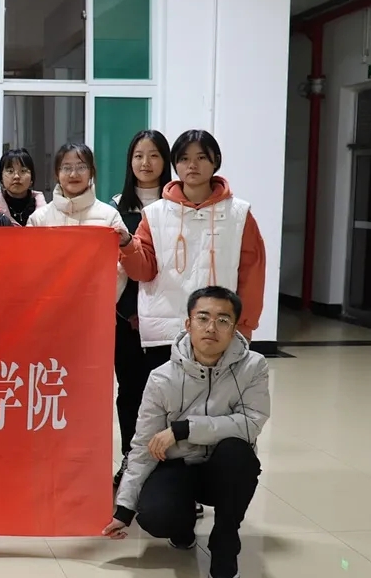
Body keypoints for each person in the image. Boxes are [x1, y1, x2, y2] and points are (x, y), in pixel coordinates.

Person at [104, 286, 268, 578]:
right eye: (203, 318)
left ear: (234, 328)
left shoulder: (253, 366)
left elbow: (251, 423)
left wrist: (183, 429)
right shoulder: (162, 377)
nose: (211, 327)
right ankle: (182, 524)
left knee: (238, 453)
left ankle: (225, 541)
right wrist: (124, 509)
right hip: (177, 466)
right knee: (156, 517)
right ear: (188, 324)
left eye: (222, 320)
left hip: (222, 470)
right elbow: (142, 445)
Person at [120, 130, 267, 372]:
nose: (192, 165)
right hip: (164, 334)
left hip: (217, 332)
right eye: (184, 159)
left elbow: (252, 276)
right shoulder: (154, 214)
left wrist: (244, 326)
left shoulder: (239, 214)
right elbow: (142, 272)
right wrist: (127, 245)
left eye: (201, 158)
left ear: (215, 161)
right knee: (165, 396)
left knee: (214, 396)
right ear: (175, 164)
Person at [110, 130, 173, 485]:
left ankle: (168, 465)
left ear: (166, 161)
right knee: (130, 391)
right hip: (125, 318)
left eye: (153, 155)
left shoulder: (177, 205)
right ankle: (131, 460)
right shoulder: (115, 207)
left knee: (168, 394)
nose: (145, 163)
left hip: (168, 318)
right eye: (138, 155)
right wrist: (129, 310)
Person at [27, 143, 129, 302]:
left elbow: (121, 268)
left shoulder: (110, 217)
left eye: (81, 167)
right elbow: (30, 267)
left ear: (91, 172)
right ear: (57, 174)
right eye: (66, 168)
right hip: (48, 308)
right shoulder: (38, 219)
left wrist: (95, 299)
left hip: (94, 308)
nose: (74, 174)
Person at [0, 148, 48, 226]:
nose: (16, 176)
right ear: (1, 178)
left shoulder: (46, 212)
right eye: (10, 171)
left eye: (23, 171)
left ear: (31, 178)